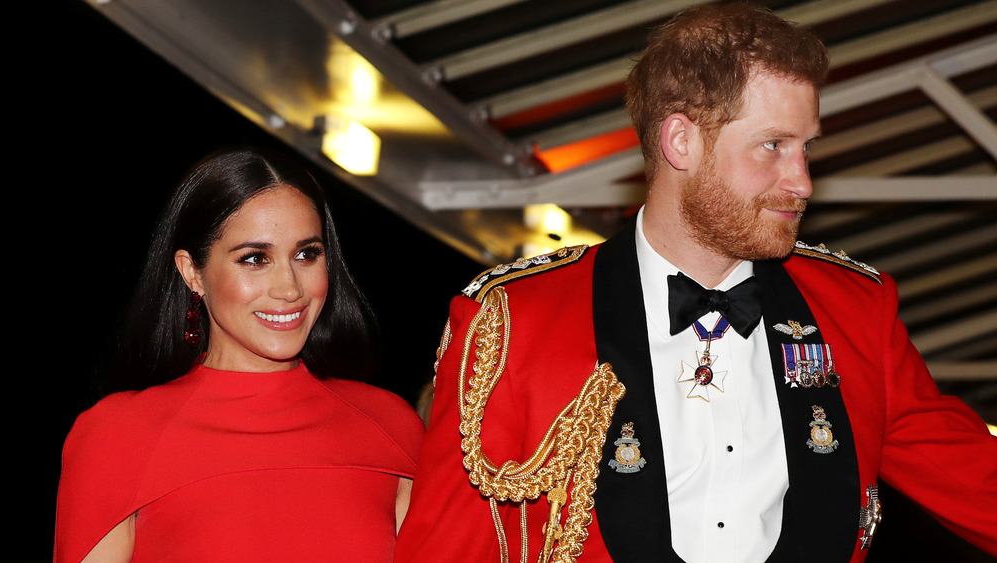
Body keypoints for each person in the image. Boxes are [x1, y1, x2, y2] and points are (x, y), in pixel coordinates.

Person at [394, 4, 997, 563]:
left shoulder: (856, 312)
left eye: (806, 148)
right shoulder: (515, 320)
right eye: (774, 146)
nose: (804, 181)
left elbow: (978, 484)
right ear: (681, 141)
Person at [55, 149, 424, 562]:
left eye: (306, 254)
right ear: (192, 271)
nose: (289, 288)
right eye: (254, 259)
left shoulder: (391, 426)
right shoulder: (118, 436)